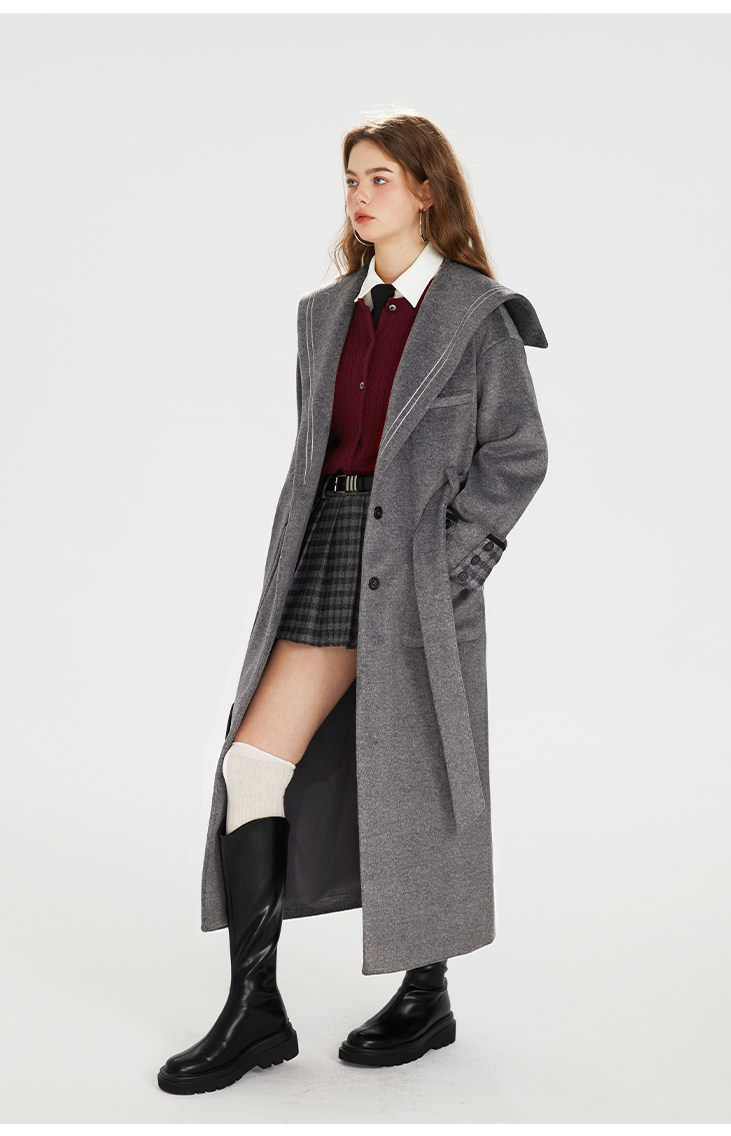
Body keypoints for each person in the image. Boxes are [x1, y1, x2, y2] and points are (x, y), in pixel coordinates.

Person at [158, 111, 549, 1095]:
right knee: (253, 762)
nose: (361, 196)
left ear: (426, 190)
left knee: (419, 773)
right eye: (350, 180)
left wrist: (450, 565)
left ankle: (427, 992)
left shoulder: (478, 316)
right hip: (327, 549)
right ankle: (256, 1008)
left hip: (420, 567)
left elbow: (517, 453)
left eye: (380, 178)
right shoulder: (324, 314)